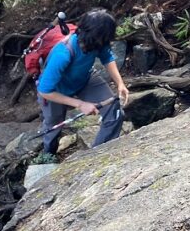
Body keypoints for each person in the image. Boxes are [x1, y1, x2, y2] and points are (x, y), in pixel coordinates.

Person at [37, 8, 129, 156]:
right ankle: (48, 156)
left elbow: (107, 57)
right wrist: (80, 104)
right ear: (96, 36)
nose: (106, 43)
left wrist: (120, 83)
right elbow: (45, 91)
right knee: (53, 127)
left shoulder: (98, 43)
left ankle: (96, 156)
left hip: (85, 78)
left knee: (114, 112)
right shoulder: (63, 54)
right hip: (56, 90)